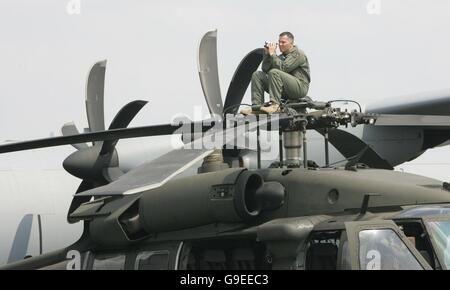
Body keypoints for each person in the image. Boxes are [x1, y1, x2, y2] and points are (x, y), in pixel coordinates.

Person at [241, 32, 311, 114]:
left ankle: (274, 105)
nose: (280, 44)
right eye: (279, 42)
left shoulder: (298, 53)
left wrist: (273, 54)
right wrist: (267, 55)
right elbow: (265, 69)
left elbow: (283, 68)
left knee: (274, 72)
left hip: (300, 88)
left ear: (291, 43)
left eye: (283, 42)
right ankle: (256, 107)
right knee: (257, 75)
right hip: (284, 88)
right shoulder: (281, 57)